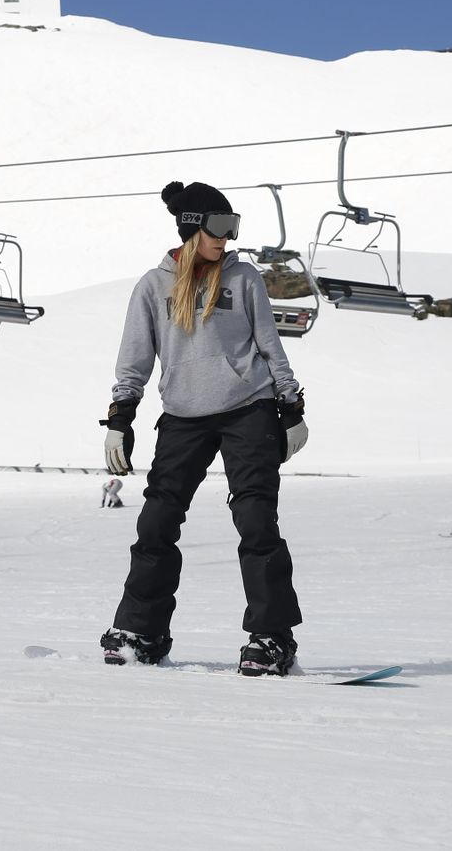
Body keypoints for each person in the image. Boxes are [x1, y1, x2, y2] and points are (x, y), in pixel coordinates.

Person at [98, 181, 309, 677]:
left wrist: (291, 403)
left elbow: (269, 343)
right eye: (219, 227)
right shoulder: (154, 286)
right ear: (193, 228)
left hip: (248, 409)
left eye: (233, 226)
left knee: (256, 523)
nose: (228, 237)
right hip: (182, 417)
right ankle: (140, 632)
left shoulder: (244, 279)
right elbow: (134, 359)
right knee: (155, 524)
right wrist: (120, 419)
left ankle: (271, 638)